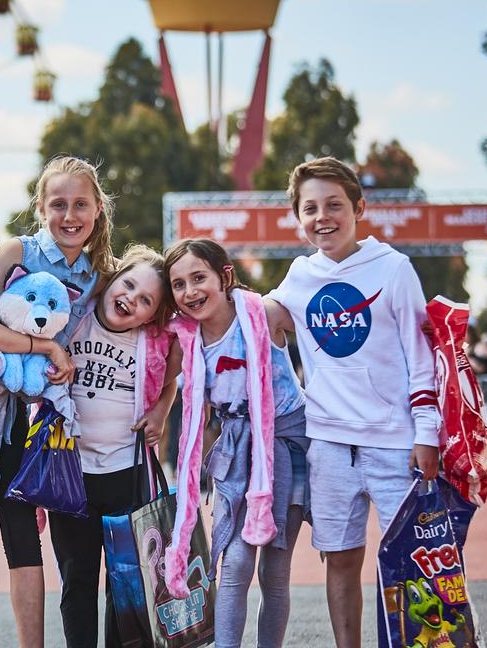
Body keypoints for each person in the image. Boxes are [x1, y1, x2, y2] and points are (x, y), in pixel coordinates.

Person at [264, 157, 440, 648]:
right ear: (298, 218)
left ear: (359, 208)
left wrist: (427, 433)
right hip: (329, 447)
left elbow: (419, 353)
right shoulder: (299, 276)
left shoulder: (394, 268)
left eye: (335, 205)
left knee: (412, 557)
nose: (324, 217)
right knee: (340, 559)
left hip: (395, 443)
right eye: (310, 208)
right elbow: (262, 316)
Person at [0, 154, 112, 648]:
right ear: (41, 207)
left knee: (26, 546)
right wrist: (43, 346)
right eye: (59, 204)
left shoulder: (97, 274)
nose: (70, 216)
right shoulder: (16, 251)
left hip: (41, 426)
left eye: (81, 204)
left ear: (97, 209)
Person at [165, 240, 303, 648]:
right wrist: (156, 417)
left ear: (224, 277)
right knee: (235, 564)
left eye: (198, 278)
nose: (190, 291)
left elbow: (322, 333)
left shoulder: (265, 314)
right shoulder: (185, 339)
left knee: (275, 572)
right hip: (236, 453)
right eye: (178, 284)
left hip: (288, 446)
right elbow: (165, 386)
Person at [51, 244, 179, 648]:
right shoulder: (73, 318)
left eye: (146, 301)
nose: (130, 300)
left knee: (126, 580)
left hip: (127, 473)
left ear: (153, 315)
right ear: (111, 280)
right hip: (70, 472)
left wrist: (159, 412)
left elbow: (171, 381)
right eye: (128, 285)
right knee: (78, 577)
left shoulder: (154, 341)